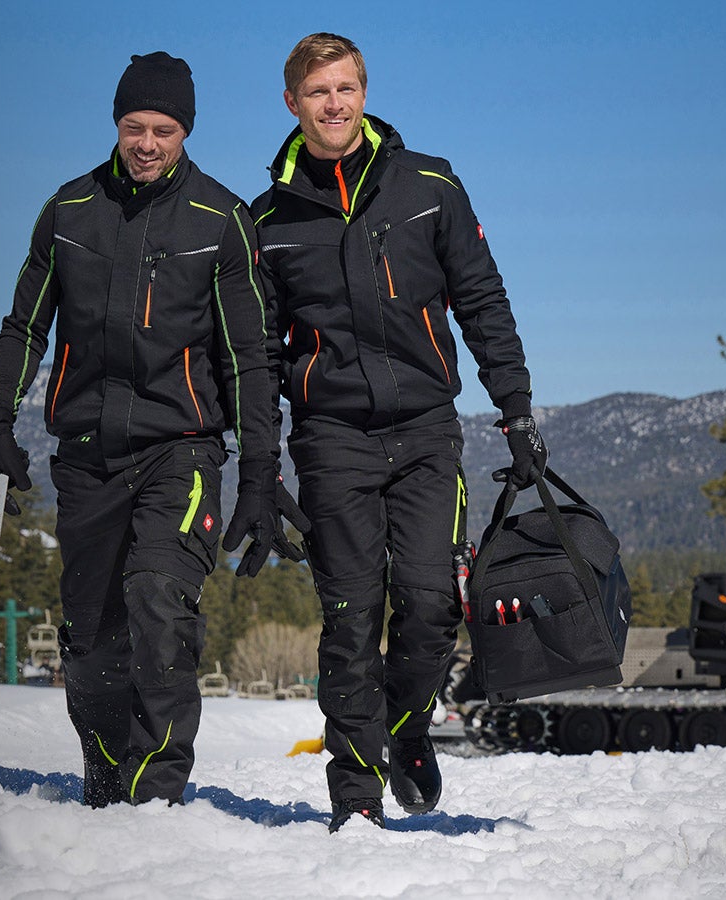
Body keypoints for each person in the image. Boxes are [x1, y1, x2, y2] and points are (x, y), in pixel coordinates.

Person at [249, 33, 546, 831]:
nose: (335, 104)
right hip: (331, 438)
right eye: (318, 92)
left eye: (346, 88)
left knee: (427, 604)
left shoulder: (428, 186)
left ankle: (408, 724)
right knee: (349, 617)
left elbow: (482, 299)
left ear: (365, 93)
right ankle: (356, 799)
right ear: (292, 103)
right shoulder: (268, 222)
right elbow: (256, 360)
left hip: (424, 431)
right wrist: (259, 465)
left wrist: (515, 410)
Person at [0, 52, 286, 808]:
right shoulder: (69, 212)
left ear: (186, 131)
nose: (148, 143)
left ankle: (155, 796)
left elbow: (249, 356)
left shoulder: (220, 220)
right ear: (116, 125)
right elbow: (25, 327)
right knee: (90, 637)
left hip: (181, 450)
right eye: (134, 127)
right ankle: (107, 779)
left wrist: (261, 470)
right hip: (85, 457)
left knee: (157, 600)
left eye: (165, 130)